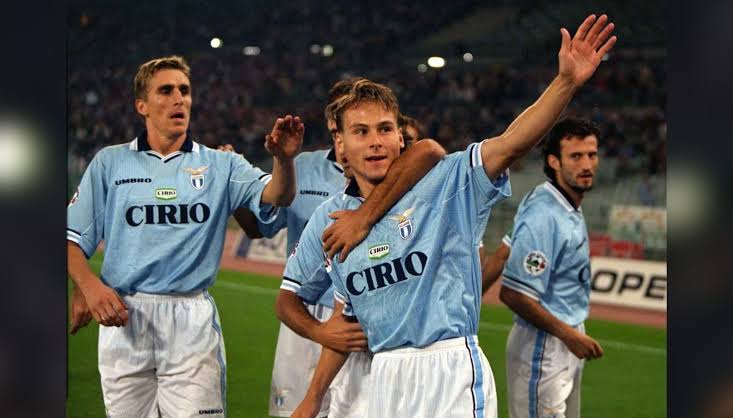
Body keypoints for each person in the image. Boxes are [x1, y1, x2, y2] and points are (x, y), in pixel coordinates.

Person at [286, 14, 617, 417]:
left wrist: (564, 83)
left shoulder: (447, 184)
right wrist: (314, 390)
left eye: (385, 129)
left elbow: (510, 144)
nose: (376, 142)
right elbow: (327, 311)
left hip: (450, 371)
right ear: (339, 142)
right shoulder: (331, 221)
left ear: (400, 137)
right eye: (361, 131)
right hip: (384, 375)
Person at [66, 55, 302, 417]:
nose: (179, 99)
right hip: (125, 319)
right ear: (142, 106)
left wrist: (284, 161)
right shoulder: (110, 163)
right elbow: (70, 239)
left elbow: (277, 196)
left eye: (184, 90)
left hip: (190, 322)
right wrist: (89, 287)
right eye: (166, 91)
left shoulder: (221, 164)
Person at [230, 78, 447, 418]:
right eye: (345, 114)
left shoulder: (390, 171)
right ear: (334, 122)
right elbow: (260, 227)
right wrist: (258, 176)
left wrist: (363, 217)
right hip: (310, 313)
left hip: (365, 319)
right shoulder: (304, 167)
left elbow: (430, 152)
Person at [499, 117, 605, 418]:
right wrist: (569, 336)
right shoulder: (544, 215)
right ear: (554, 161)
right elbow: (513, 294)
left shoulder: (565, 203)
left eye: (592, 155)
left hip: (566, 337)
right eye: (576, 156)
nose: (586, 164)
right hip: (543, 345)